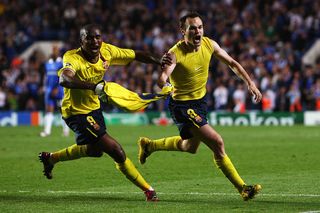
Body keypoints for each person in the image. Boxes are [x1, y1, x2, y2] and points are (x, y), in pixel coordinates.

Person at [137, 11, 263, 201]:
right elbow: (162, 78)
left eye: (200, 27)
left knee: (190, 147)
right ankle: (243, 188)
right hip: (182, 105)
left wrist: (250, 83)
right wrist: (167, 84)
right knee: (217, 142)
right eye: (192, 28)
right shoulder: (175, 53)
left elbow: (232, 63)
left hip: (200, 102)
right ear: (182, 31)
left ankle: (149, 145)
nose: (198, 31)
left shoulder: (209, 44)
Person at [39, 24, 171, 201]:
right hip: (76, 112)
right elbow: (65, 78)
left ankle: (51, 158)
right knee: (116, 151)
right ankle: (148, 190)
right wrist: (93, 86)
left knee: (95, 151)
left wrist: (158, 61)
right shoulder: (72, 57)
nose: (95, 41)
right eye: (89, 38)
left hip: (94, 108)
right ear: (81, 41)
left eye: (98, 37)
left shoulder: (107, 51)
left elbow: (136, 55)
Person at [40, 45, 70, 137]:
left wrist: (57, 88)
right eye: (53, 49)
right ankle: (47, 131)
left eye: (56, 50)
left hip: (59, 89)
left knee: (62, 110)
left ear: (59, 52)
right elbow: (45, 76)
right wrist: (43, 86)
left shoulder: (62, 63)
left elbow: (63, 76)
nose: (54, 51)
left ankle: (65, 131)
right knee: (49, 110)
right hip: (49, 89)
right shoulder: (47, 63)